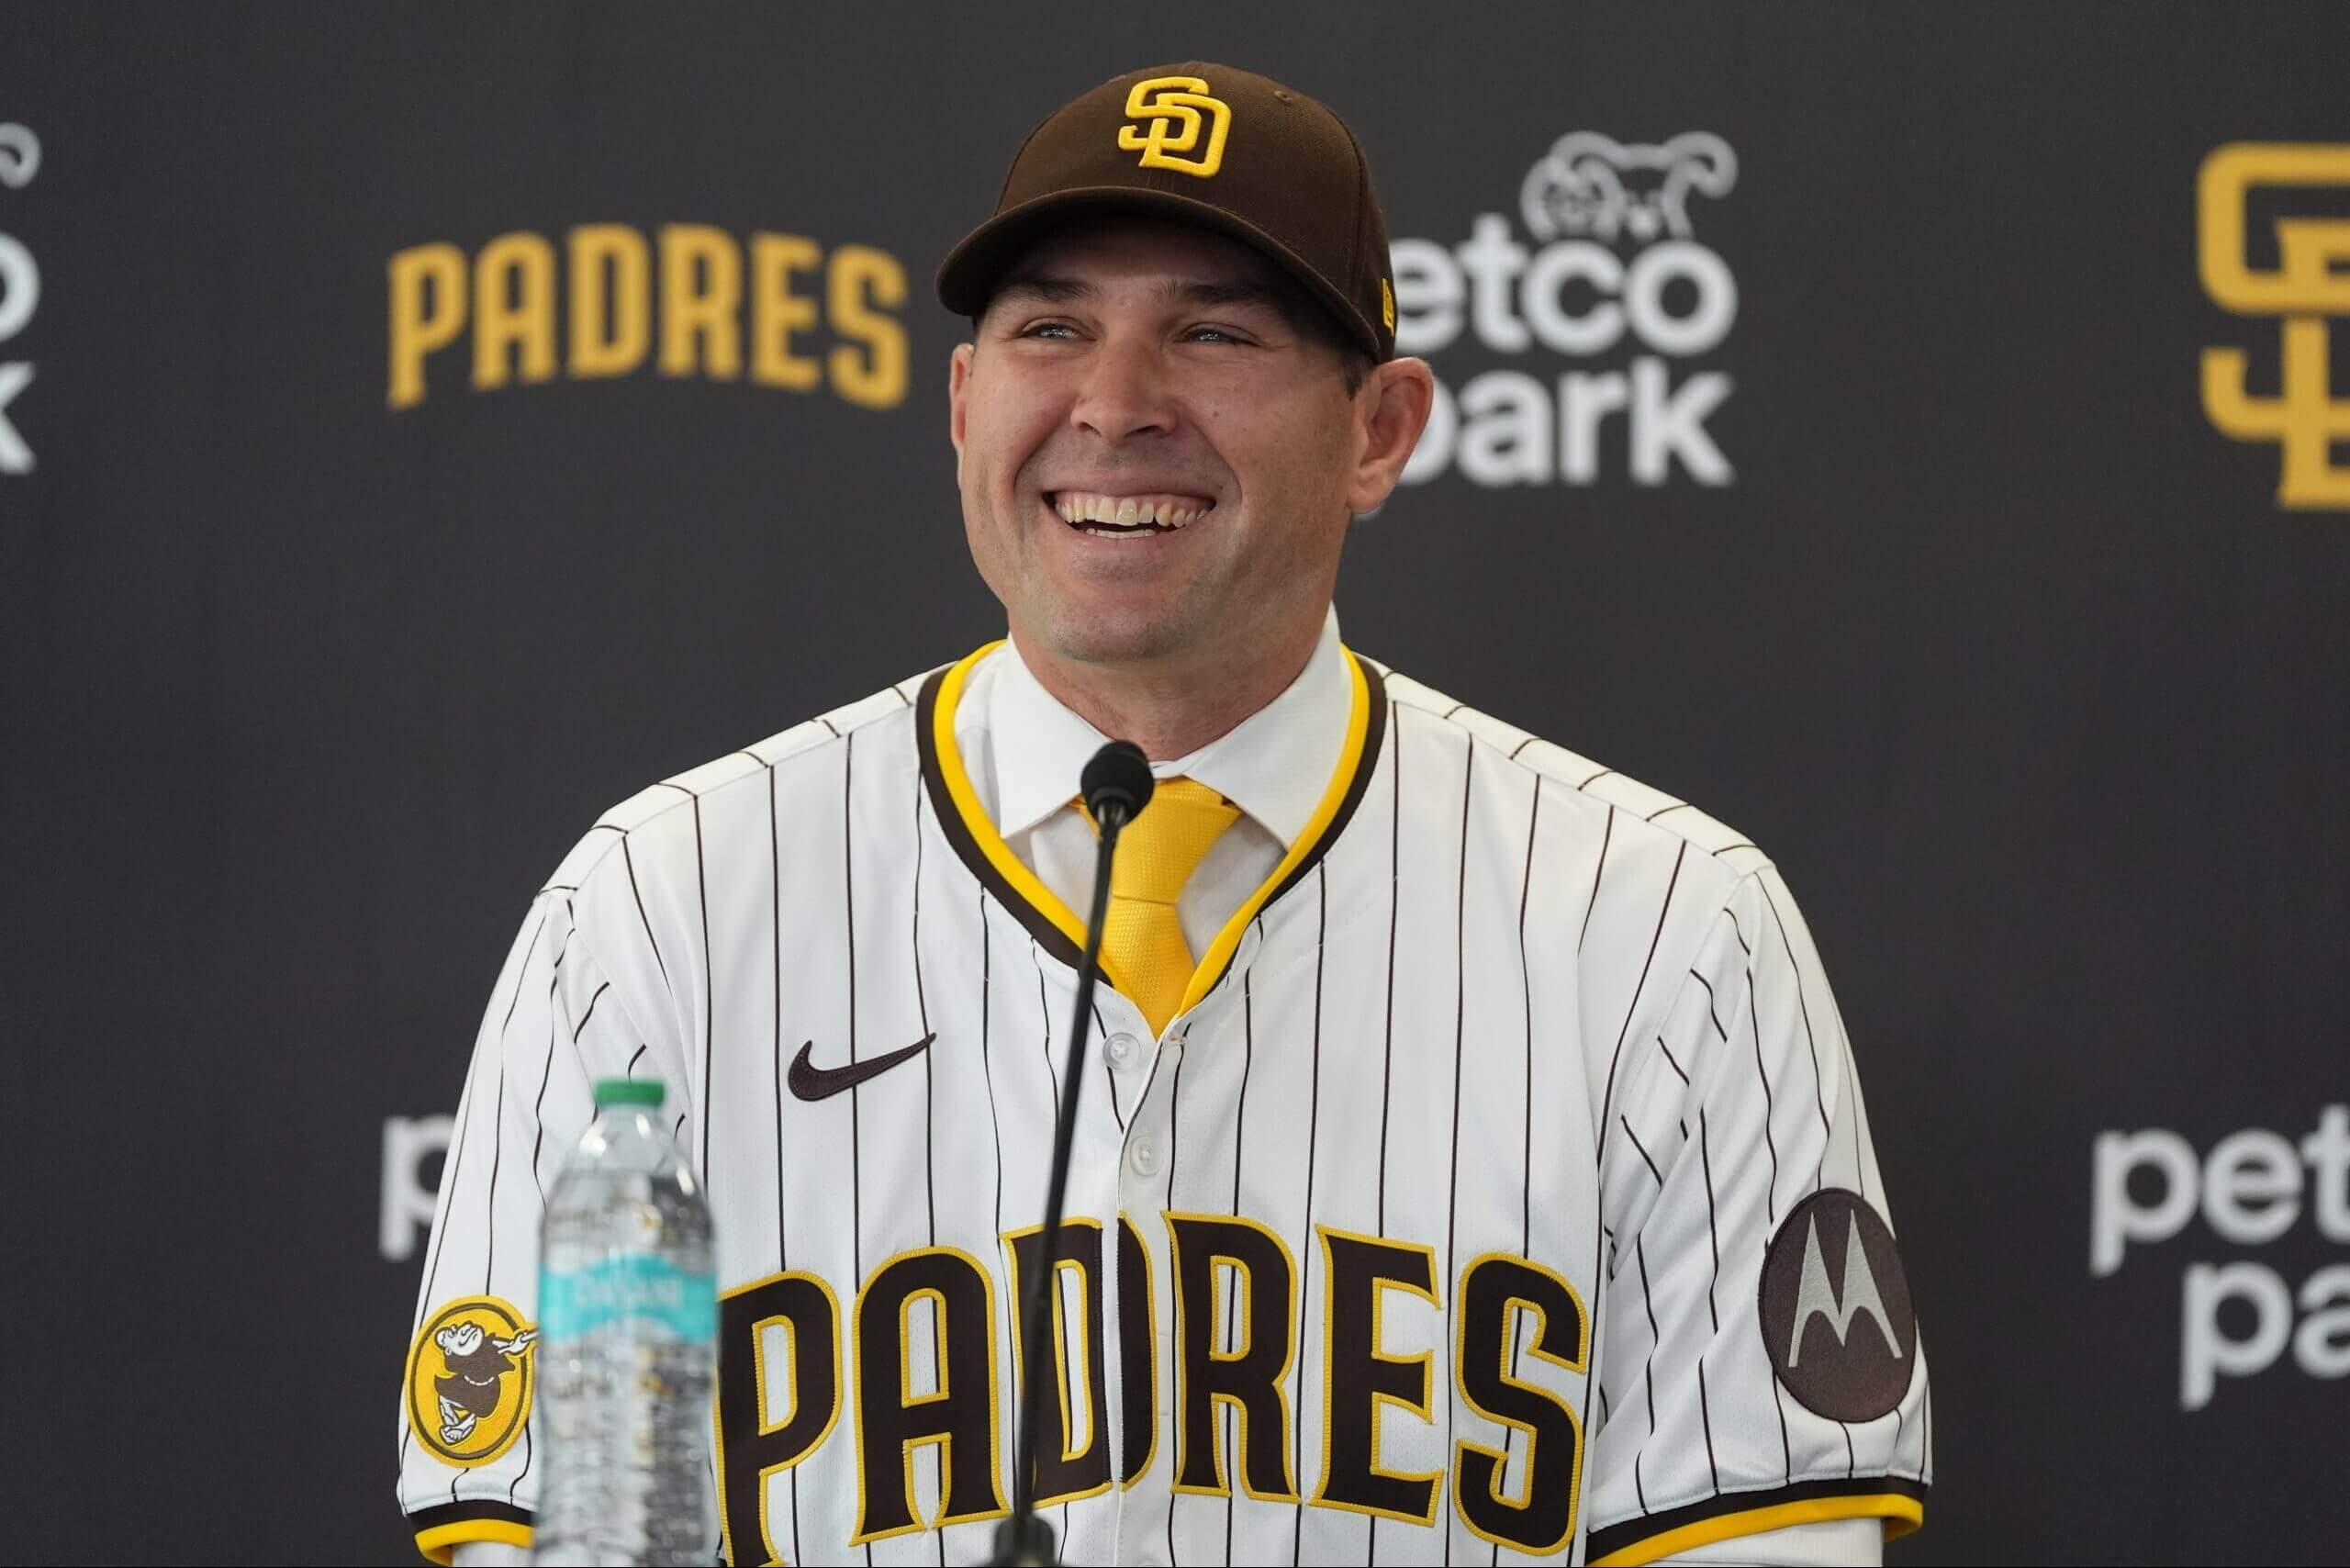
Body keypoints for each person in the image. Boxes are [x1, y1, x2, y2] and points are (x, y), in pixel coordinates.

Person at [398, 62, 1930, 1567]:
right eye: (1050, 327)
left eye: (1213, 333)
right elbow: (548, 1537)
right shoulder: (664, 908)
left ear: (1381, 429)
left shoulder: (1665, 927)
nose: (1115, 406)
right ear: (960, 399)